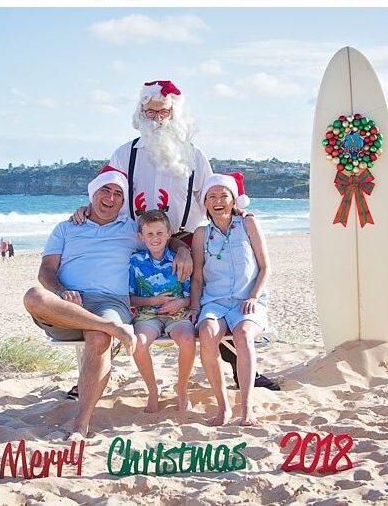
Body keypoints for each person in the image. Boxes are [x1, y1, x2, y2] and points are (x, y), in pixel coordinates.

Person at [71, 80, 279, 397]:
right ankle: (90, 376)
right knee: (114, 294)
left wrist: (231, 217)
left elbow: (212, 198)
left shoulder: (194, 156)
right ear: (140, 113)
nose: (156, 118)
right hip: (135, 239)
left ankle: (243, 370)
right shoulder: (124, 153)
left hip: (181, 239)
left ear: (174, 114)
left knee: (210, 294)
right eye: (149, 111)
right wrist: (86, 207)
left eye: (162, 112)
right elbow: (106, 189)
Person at [23, 170, 192, 438]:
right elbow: (46, 270)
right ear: (93, 193)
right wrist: (62, 291)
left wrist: (182, 249)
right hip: (68, 304)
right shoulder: (66, 227)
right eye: (105, 191)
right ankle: (114, 329)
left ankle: (80, 425)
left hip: (110, 303)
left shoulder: (128, 228)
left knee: (98, 336)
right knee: (33, 295)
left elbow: (159, 234)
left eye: (118, 194)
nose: (111, 198)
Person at [190, 173, 270, 427]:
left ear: (233, 199)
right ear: (205, 202)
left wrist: (254, 296)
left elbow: (265, 267)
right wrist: (194, 306)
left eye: (223, 195)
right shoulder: (201, 234)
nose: (217, 201)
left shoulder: (248, 225)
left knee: (243, 335)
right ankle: (223, 408)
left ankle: (247, 409)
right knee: (207, 333)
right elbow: (198, 277)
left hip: (247, 300)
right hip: (214, 302)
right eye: (211, 196)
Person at [129, 210, 196, 413]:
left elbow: (193, 294)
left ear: (169, 234)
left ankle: (182, 389)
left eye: (160, 233)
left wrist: (181, 303)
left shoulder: (181, 260)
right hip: (147, 315)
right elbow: (129, 297)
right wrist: (153, 300)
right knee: (138, 344)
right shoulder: (135, 262)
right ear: (141, 236)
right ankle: (152, 390)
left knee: (187, 340)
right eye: (149, 234)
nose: (155, 238)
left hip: (177, 313)